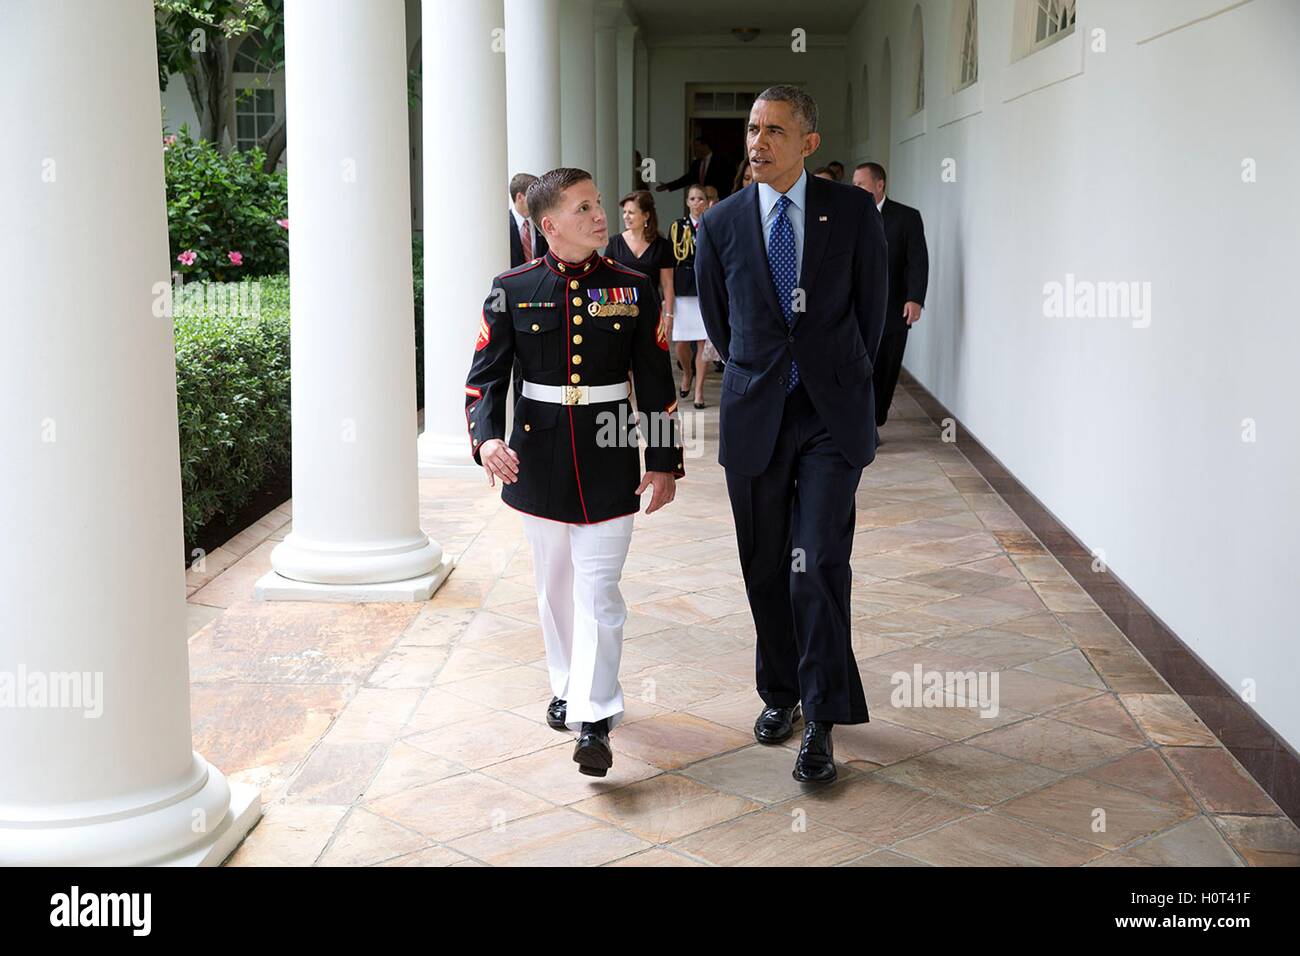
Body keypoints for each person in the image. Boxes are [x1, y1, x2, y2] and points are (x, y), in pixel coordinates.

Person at [695, 85, 888, 784]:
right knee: (767, 567)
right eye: (752, 128)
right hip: (756, 417)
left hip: (830, 418)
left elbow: (872, 310)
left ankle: (823, 719)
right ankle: (780, 694)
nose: (757, 141)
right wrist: (764, 373)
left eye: (774, 129)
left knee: (818, 565)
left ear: (808, 141)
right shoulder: (719, 225)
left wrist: (835, 377)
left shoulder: (852, 212)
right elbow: (723, 325)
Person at [465, 167, 683, 777]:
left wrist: (663, 462)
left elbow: (657, 381)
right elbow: (484, 380)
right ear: (549, 224)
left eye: (597, 204)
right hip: (537, 456)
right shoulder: (513, 287)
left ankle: (593, 719)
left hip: (610, 453)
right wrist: (484, 443)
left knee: (599, 591)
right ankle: (566, 684)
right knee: (554, 587)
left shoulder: (633, 287)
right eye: (583, 207)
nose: (599, 215)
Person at [852, 162, 928, 440]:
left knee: (885, 369)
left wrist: (915, 299)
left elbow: (917, 261)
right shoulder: (851, 215)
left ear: (879, 184)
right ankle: (861, 425)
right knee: (858, 368)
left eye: (860, 183)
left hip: (893, 310)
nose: (855, 188)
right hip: (855, 309)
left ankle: (874, 420)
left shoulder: (907, 217)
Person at [604, 190, 675, 343]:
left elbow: (667, 283)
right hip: (620, 310)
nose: (626, 217)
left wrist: (669, 315)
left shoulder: (662, 245)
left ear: (646, 215)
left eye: (631, 212)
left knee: (647, 358)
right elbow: (606, 280)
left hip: (651, 310)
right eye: (624, 212)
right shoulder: (614, 243)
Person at [669, 184, 712, 408]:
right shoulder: (678, 226)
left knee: (703, 342)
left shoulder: (712, 223)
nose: (697, 203)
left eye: (700, 199)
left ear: (707, 202)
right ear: (687, 203)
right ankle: (687, 373)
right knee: (681, 343)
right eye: (692, 199)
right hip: (684, 287)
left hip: (705, 287)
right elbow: (673, 256)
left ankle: (699, 391)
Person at [657, 137, 732, 199]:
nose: (695, 149)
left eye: (696, 146)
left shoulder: (721, 161)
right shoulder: (696, 163)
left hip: (717, 199)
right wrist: (668, 186)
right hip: (700, 199)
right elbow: (687, 179)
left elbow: (727, 182)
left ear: (705, 146)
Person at [508, 172, 548, 268]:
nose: (539, 201)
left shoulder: (543, 222)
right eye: (535, 196)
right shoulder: (503, 226)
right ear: (520, 197)